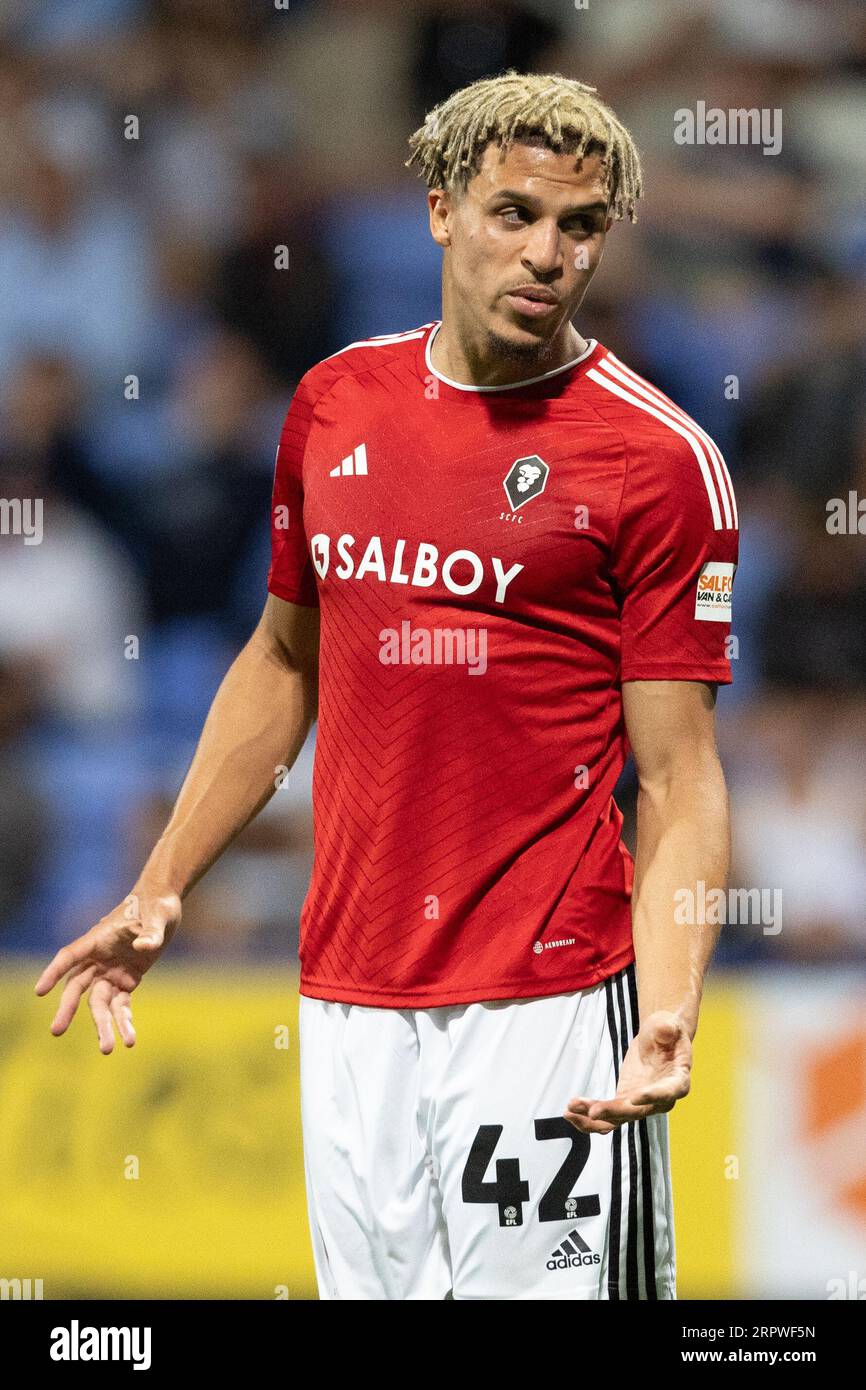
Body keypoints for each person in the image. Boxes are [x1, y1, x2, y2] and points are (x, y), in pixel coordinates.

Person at [35, 72, 738, 1300]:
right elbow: (281, 659)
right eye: (513, 213)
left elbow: (677, 773)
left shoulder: (658, 461)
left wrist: (667, 1004)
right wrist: (159, 885)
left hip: (548, 996)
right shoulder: (334, 403)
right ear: (438, 212)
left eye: (578, 228)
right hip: (349, 997)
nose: (546, 254)